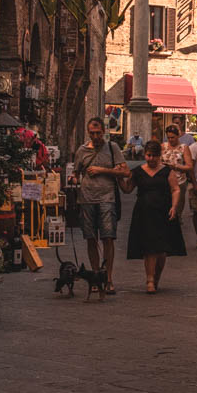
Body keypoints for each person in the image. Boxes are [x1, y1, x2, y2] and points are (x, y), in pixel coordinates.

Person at [73, 117, 128, 294]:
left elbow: (125, 171)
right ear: (88, 133)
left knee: (108, 238)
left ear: (103, 131)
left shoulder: (112, 148)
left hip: (107, 198)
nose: (95, 136)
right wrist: (73, 178)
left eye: (98, 133)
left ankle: (108, 278)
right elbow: (76, 172)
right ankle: (96, 276)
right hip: (87, 198)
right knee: (90, 238)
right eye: (92, 133)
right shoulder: (81, 151)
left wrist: (102, 170)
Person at [125, 139, 185, 292]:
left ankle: (156, 277)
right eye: (148, 155)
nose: (151, 159)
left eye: (154, 156)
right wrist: (119, 176)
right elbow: (127, 189)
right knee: (149, 248)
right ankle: (149, 280)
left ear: (159, 156)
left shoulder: (167, 171)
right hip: (144, 212)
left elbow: (175, 189)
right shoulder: (138, 172)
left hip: (163, 211)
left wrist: (174, 206)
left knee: (161, 249)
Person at [161, 124, 193, 216]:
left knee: (177, 208)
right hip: (165, 181)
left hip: (179, 181)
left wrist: (175, 166)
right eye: (168, 137)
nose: (170, 140)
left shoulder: (184, 147)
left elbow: (189, 166)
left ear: (178, 136)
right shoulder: (163, 146)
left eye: (173, 137)